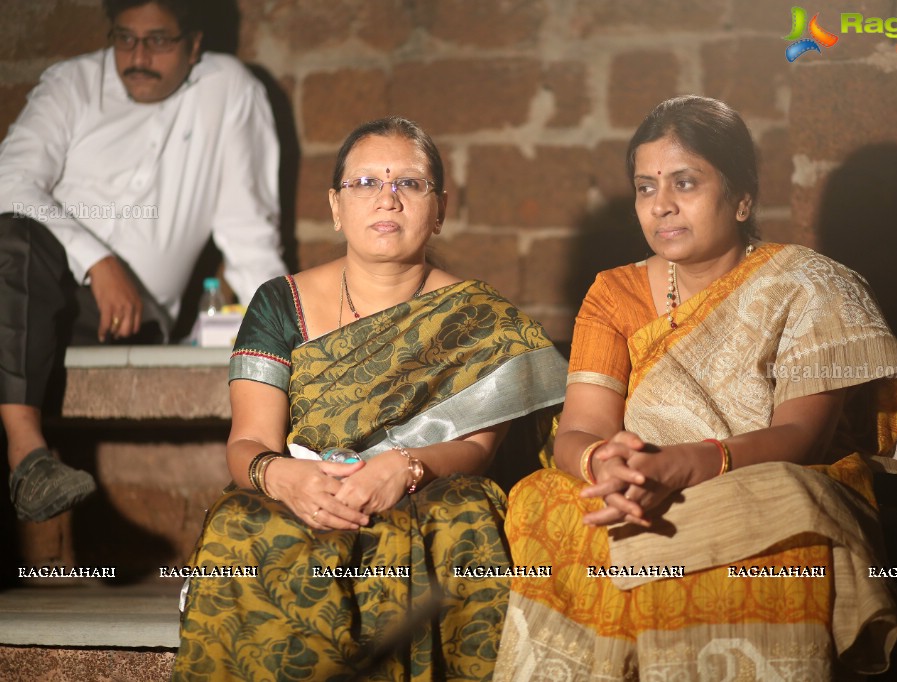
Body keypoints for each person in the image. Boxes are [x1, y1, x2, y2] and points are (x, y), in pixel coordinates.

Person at [493, 96, 897, 680]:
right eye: (644, 187)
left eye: (685, 182)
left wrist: (686, 465)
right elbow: (582, 427)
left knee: (783, 499)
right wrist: (603, 463)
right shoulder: (613, 294)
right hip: (642, 478)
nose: (661, 205)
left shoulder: (808, 285)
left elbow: (802, 439)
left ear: (742, 198)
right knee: (541, 497)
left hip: (756, 476)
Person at [172, 116, 567, 681]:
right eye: (364, 184)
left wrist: (403, 467)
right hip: (305, 491)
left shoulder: (481, 318)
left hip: (425, 487)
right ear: (336, 207)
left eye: (408, 183)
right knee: (241, 522)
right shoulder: (279, 304)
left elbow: (477, 449)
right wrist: (284, 477)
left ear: (441, 208)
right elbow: (249, 442)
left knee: (467, 514)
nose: (387, 199)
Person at [0, 0, 286, 522]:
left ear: (194, 42)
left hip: (131, 321)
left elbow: (247, 235)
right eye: (124, 38)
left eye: (158, 40)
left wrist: (286, 340)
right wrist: (96, 261)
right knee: (12, 237)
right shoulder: (72, 84)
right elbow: (9, 183)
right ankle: (28, 457)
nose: (137, 56)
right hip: (30, 287)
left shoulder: (230, 90)